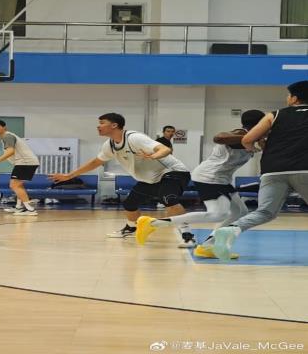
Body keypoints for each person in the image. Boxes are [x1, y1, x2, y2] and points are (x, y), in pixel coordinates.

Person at [50, 113, 194, 246]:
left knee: (168, 199)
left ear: (114, 125)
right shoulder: (109, 145)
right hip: (150, 179)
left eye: (102, 123)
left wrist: (153, 156)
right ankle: (132, 228)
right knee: (130, 204)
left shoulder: (134, 138)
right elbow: (96, 162)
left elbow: (165, 149)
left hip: (173, 172)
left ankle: (188, 236)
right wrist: (69, 175)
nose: (98, 126)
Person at [135, 110, 265, 256]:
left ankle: (208, 246)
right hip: (209, 177)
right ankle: (152, 223)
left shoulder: (255, 138)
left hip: (222, 179)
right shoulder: (239, 135)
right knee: (218, 215)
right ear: (259, 123)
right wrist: (254, 137)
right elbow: (219, 137)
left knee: (240, 212)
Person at [211, 81, 308, 260]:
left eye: (288, 95)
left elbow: (247, 139)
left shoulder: (274, 115)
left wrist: (255, 149)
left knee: (265, 212)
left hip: (272, 171)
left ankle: (232, 229)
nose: (287, 98)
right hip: (304, 170)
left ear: (295, 98)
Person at [0, 119, 40, 216]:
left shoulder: (7, 136)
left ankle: (30, 210)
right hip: (25, 162)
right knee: (18, 185)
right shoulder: (6, 137)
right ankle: (19, 207)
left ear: (4, 127)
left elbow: (10, 151)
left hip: (25, 162)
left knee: (14, 185)